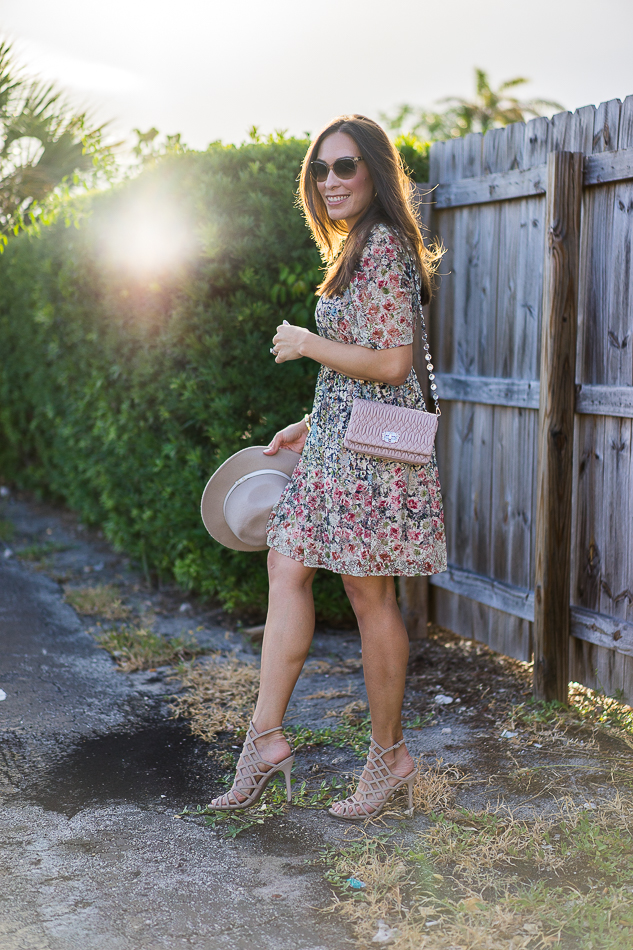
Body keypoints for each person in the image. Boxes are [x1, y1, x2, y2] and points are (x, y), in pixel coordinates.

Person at [210, 114, 446, 820]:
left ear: (374, 171)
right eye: (320, 169)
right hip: (340, 445)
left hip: (369, 459)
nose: (331, 181)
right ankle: (264, 738)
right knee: (286, 566)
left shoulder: (379, 245)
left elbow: (394, 363)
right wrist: (308, 422)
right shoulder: (358, 247)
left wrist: (309, 343)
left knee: (369, 598)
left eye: (345, 167)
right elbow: (370, 369)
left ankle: (388, 759)